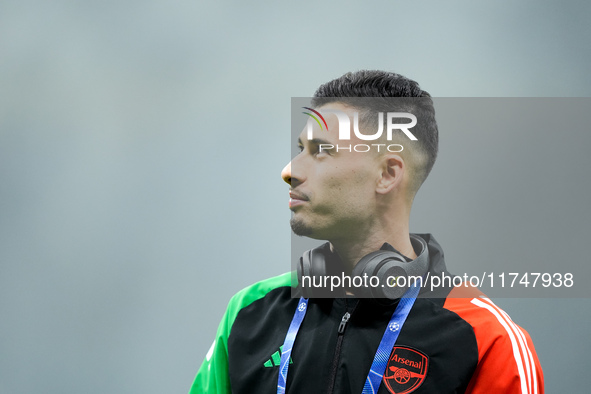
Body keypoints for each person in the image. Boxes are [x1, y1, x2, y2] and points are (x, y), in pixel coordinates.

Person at [189, 70, 544, 393]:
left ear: (388, 174)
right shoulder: (249, 311)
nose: (289, 171)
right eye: (300, 149)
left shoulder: (486, 339)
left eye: (320, 151)